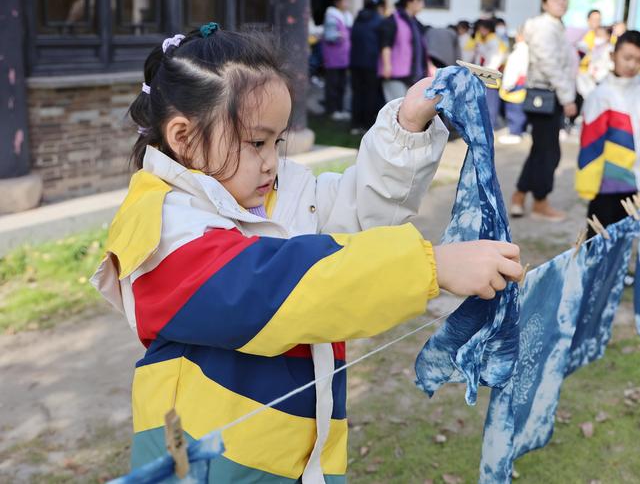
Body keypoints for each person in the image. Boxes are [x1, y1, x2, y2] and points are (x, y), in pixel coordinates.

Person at [91, 26, 524, 482]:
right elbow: (270, 287)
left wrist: (406, 127)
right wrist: (431, 266)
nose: (271, 160)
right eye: (256, 142)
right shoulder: (159, 224)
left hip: (302, 455)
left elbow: (356, 216)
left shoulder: (279, 193)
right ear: (183, 137)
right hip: (211, 466)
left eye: (278, 142)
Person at [575, 30, 640, 235]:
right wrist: (587, 184)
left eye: (638, 60)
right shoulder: (601, 96)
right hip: (604, 186)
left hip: (632, 182)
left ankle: (619, 269)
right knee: (598, 239)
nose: (632, 65)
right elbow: (590, 143)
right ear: (613, 56)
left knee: (625, 234)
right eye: (627, 57)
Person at [510, 0, 578, 221]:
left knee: (541, 150)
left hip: (551, 96)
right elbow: (550, 65)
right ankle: (540, 202)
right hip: (545, 95)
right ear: (544, 2)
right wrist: (568, 97)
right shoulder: (543, 27)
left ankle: (519, 196)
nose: (562, 1)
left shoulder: (556, 27)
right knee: (549, 153)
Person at [379, 0, 428, 101]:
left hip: (412, 74)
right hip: (395, 73)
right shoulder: (393, 20)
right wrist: (387, 65)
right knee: (397, 108)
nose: (423, 5)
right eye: (421, 1)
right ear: (412, 1)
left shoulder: (415, 23)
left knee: (406, 108)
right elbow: (386, 44)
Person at [350, 0, 386, 133]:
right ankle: (367, 124)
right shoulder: (379, 21)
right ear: (380, 8)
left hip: (355, 61)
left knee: (357, 93)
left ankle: (355, 124)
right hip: (371, 63)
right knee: (370, 94)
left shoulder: (358, 19)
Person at [322, 0, 353, 120]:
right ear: (337, 2)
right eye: (344, 1)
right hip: (334, 58)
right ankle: (332, 110)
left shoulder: (345, 16)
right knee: (333, 85)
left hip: (343, 58)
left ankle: (339, 109)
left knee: (341, 85)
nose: (346, 4)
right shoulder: (332, 17)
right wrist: (341, 36)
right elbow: (329, 36)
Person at [473, 18, 508, 129]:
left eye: (483, 29)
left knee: (491, 103)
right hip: (485, 75)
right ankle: (489, 124)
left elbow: (494, 59)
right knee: (487, 102)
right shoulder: (487, 39)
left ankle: (491, 124)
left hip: (490, 76)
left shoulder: (493, 41)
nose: (481, 31)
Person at [498, 29, 529, 145]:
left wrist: (507, 85)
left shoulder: (519, 51)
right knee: (519, 110)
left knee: (514, 110)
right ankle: (519, 131)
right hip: (522, 83)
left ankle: (515, 133)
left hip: (515, 84)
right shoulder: (527, 50)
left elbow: (513, 70)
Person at [578, 9, 602, 73]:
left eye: (598, 20)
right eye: (594, 19)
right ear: (588, 20)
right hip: (582, 72)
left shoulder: (605, 37)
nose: (596, 22)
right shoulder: (581, 36)